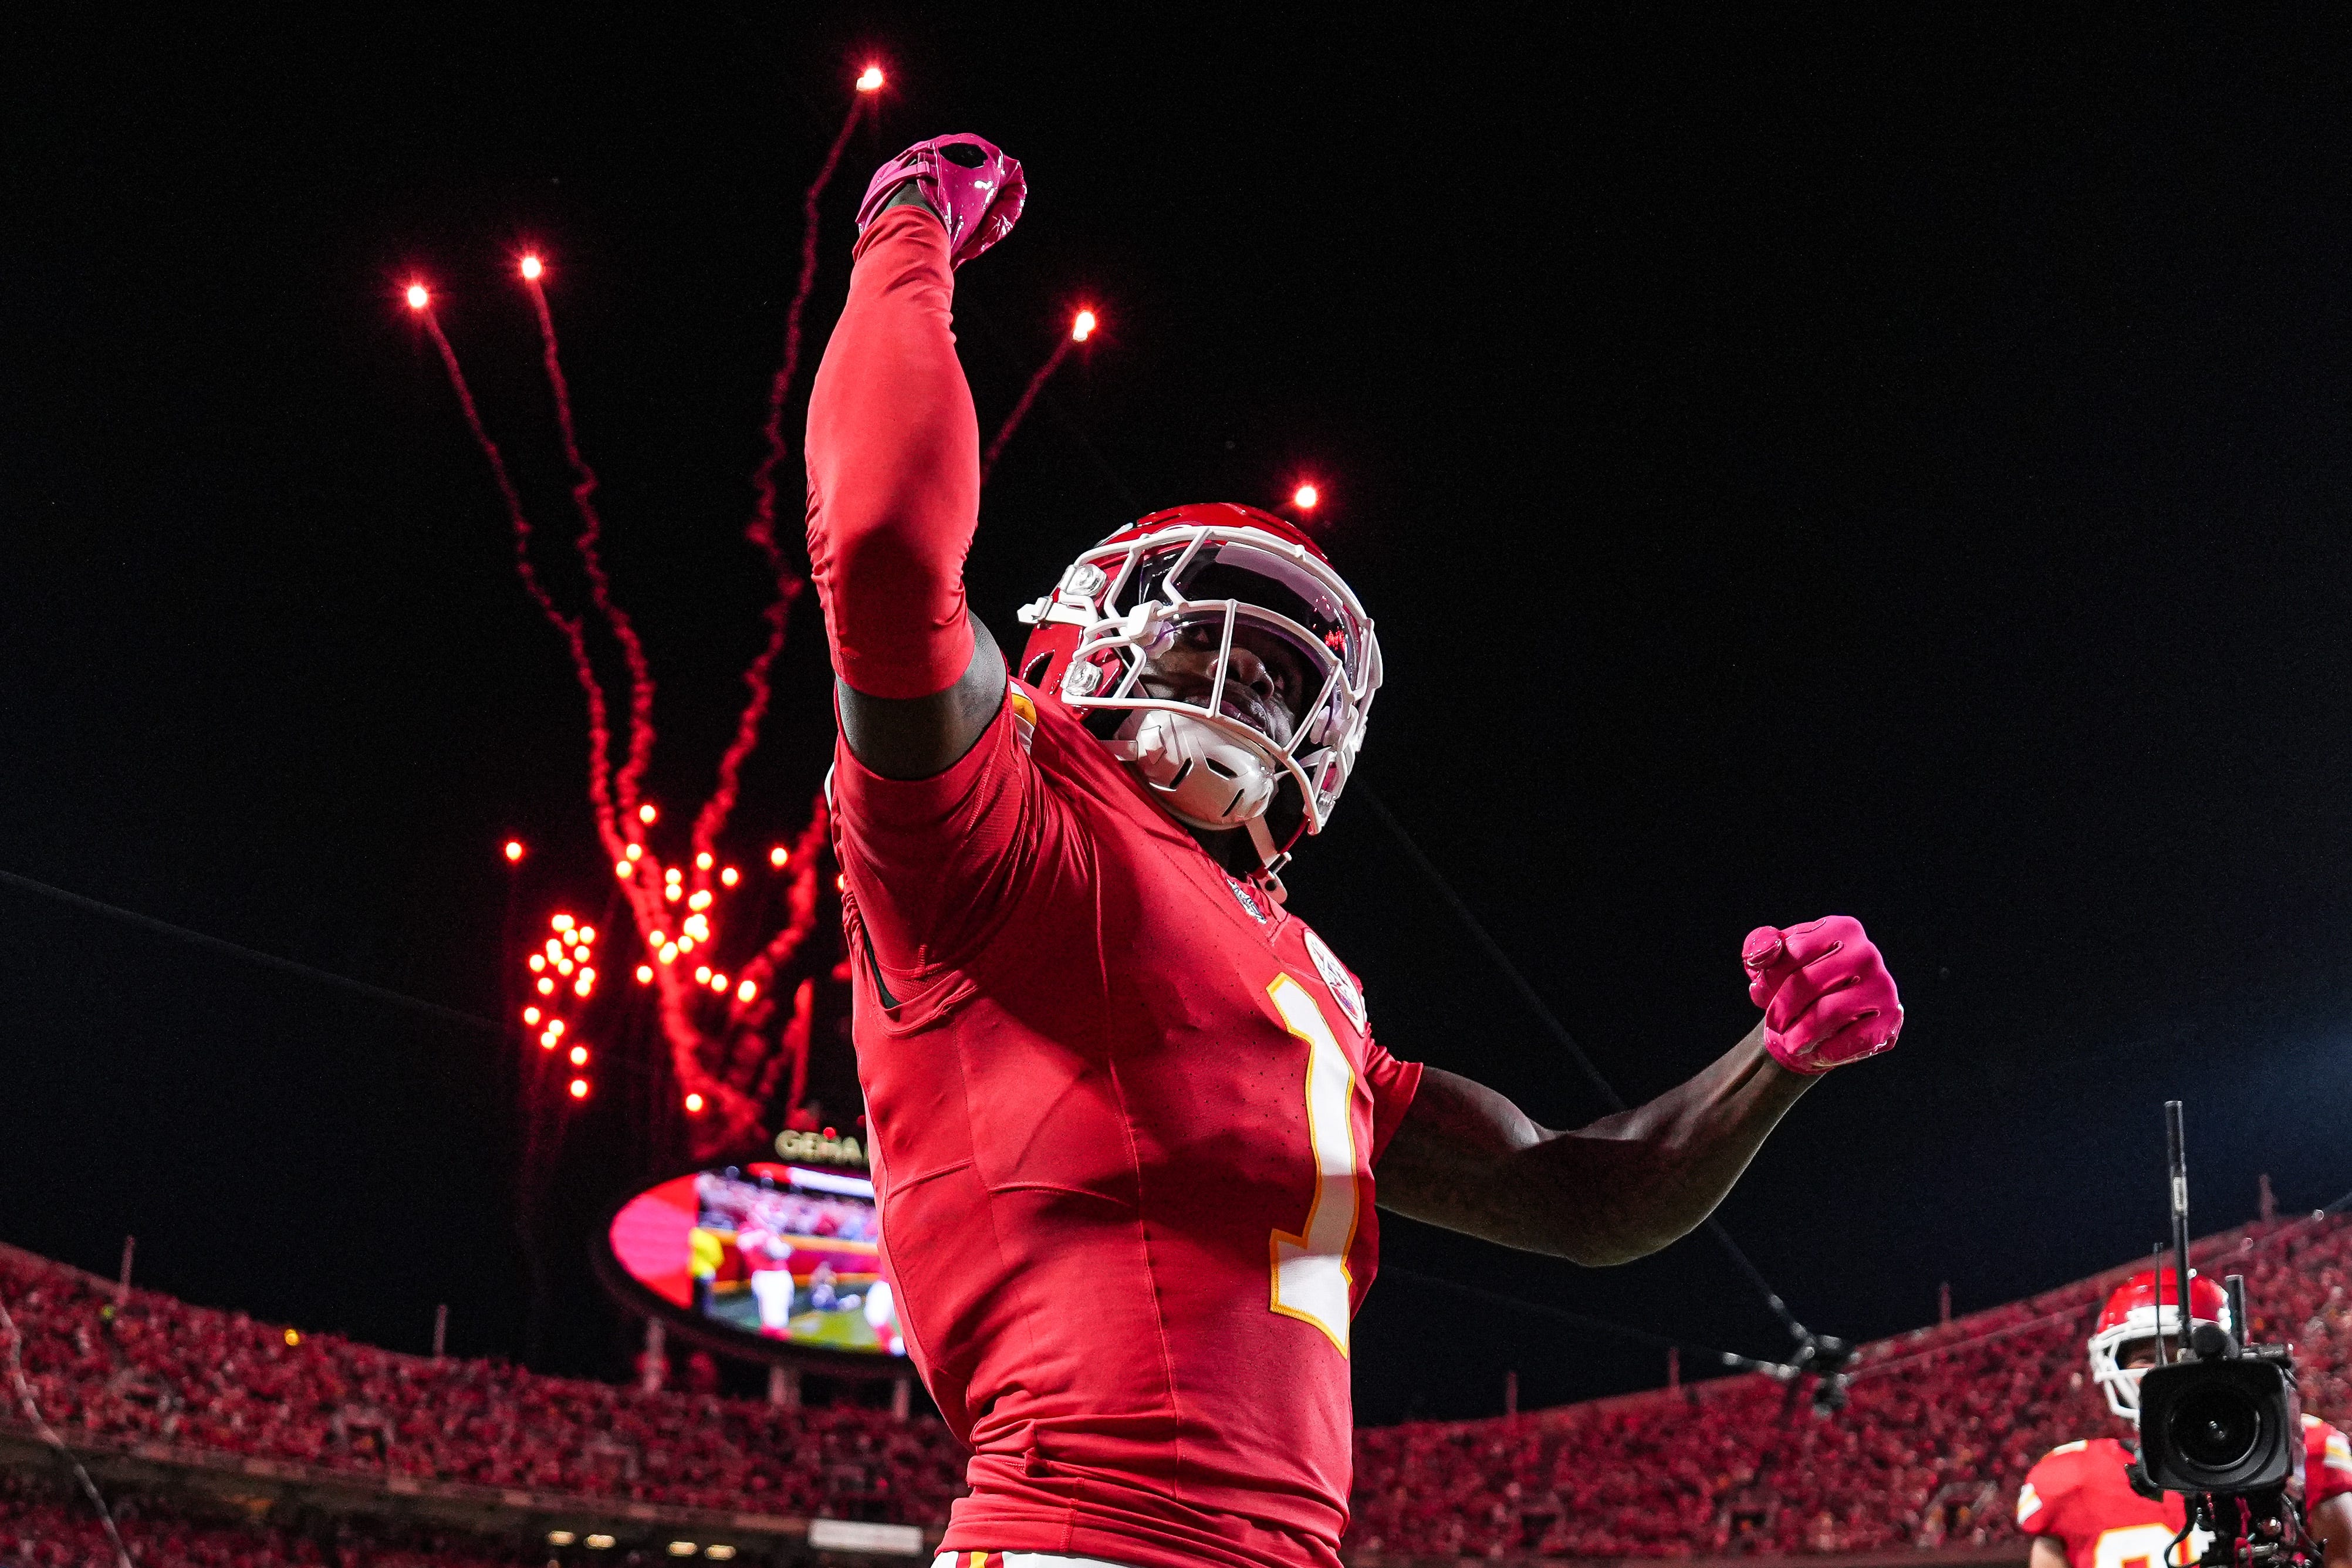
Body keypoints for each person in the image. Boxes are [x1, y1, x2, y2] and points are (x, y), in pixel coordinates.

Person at [805, 131, 1906, 1568]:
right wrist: (901, 236)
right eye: (1215, 645)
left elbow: (1581, 1195)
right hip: (1084, 1536)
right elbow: (882, 543)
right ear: (1079, 643)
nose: (1250, 695)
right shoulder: (1005, 821)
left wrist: (1778, 1058)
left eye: (1277, 677)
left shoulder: (1309, 977)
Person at [2018, 1270, 2352, 1568]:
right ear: (2112, 1366)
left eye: (2183, 1353)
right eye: (2144, 1358)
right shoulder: (2070, 1477)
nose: (2165, 1371)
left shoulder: (2301, 1445)